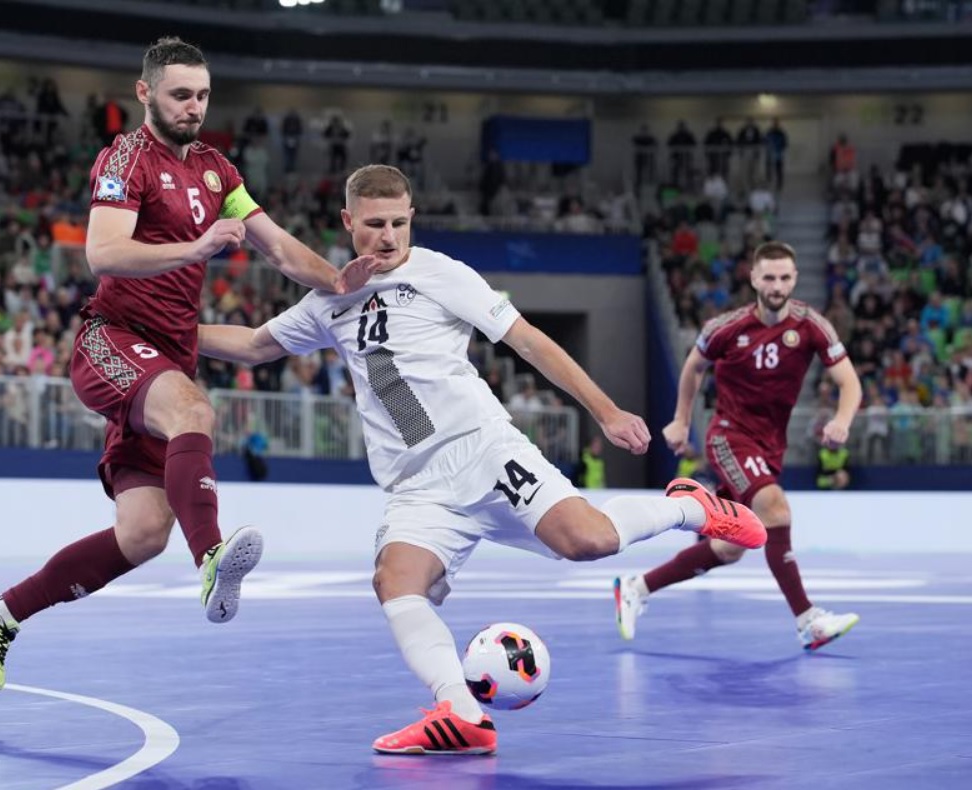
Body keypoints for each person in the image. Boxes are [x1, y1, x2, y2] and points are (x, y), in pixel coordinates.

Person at [197, 164, 766, 755]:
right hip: (418, 487)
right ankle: (461, 712)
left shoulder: (440, 273)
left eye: (398, 223)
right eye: (374, 225)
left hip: (483, 452)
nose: (388, 237)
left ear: (411, 218)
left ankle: (688, 508)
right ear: (347, 222)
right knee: (395, 581)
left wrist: (606, 412)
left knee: (589, 541)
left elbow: (529, 342)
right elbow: (255, 345)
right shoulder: (330, 300)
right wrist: (169, 334)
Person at [0, 37, 380, 696]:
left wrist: (337, 280)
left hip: (165, 357)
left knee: (142, 534)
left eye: (202, 95)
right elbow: (103, 253)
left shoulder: (217, 172)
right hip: (112, 340)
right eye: (181, 94)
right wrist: (196, 247)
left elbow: (276, 247)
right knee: (193, 409)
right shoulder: (125, 158)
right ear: (145, 93)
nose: (193, 107)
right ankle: (210, 557)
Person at [615, 241, 864, 652]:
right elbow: (694, 367)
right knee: (775, 508)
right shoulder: (726, 327)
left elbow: (849, 381)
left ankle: (636, 587)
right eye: (769, 277)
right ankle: (808, 621)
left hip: (770, 446)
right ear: (753, 279)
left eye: (784, 277)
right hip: (729, 436)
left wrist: (842, 420)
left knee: (729, 548)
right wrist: (681, 420)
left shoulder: (812, 325)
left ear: (795, 279)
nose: (777, 285)